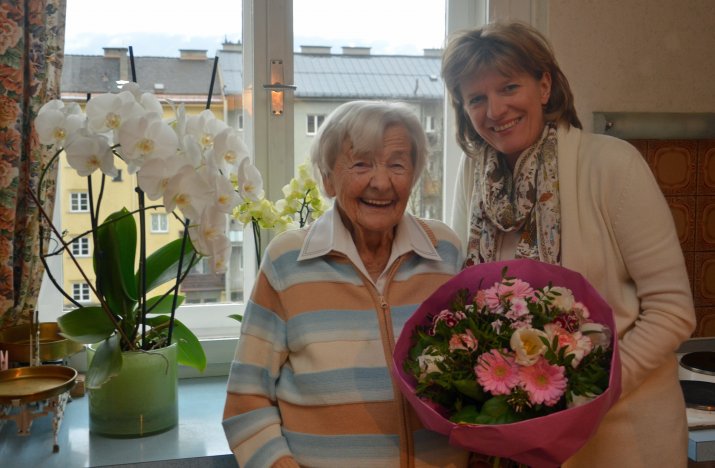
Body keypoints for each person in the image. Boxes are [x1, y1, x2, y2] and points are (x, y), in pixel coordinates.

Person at [441, 20, 696, 467]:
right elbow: (469, 296)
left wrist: (587, 394)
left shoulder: (612, 165)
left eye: (509, 87)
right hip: (518, 441)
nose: (495, 110)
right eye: (476, 98)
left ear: (544, 86)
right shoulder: (473, 176)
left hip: (622, 435)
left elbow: (672, 310)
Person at [222, 100, 470, 467]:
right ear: (327, 178)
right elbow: (246, 401)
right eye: (361, 164)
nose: (381, 183)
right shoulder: (289, 261)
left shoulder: (444, 252)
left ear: (414, 176)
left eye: (397, 165)